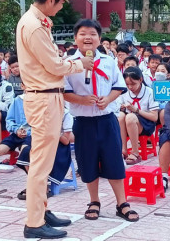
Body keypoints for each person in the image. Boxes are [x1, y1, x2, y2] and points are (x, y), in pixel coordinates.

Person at [16, 0, 90, 239]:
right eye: (60, 4)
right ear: (50, 0)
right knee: (40, 163)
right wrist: (81, 64)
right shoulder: (34, 26)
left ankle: (41, 210)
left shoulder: (38, 22)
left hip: (49, 96)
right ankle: (34, 223)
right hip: (44, 98)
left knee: (44, 162)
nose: (60, 9)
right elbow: (55, 66)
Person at [63, 19, 139, 223]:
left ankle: (122, 203)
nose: (88, 37)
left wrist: (108, 99)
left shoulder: (108, 61)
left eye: (92, 34)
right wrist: (81, 100)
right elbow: (64, 92)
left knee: (114, 161)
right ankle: (94, 201)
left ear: (99, 38)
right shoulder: (68, 64)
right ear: (75, 38)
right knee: (87, 162)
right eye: (83, 33)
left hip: (107, 120)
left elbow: (118, 85)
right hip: (84, 122)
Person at [16, 107, 73, 200]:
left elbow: (66, 141)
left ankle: (43, 187)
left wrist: (52, 129)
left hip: (59, 145)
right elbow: (30, 126)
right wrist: (22, 130)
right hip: (41, 140)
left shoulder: (66, 114)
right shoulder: (42, 110)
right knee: (26, 151)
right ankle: (35, 185)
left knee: (44, 154)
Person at [118, 66, 159, 164]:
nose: (130, 87)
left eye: (133, 84)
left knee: (130, 117)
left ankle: (135, 153)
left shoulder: (149, 92)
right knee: (120, 115)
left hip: (145, 124)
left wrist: (136, 110)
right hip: (128, 125)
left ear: (140, 80)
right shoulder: (124, 93)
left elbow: (154, 117)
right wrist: (122, 107)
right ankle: (123, 149)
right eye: (127, 84)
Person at [0, 78, 31, 158]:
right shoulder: (17, 100)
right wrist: (16, 130)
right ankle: (14, 153)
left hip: (31, 134)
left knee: (25, 151)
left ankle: (23, 152)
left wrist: (28, 132)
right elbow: (9, 120)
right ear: (22, 86)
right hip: (17, 133)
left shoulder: (38, 101)